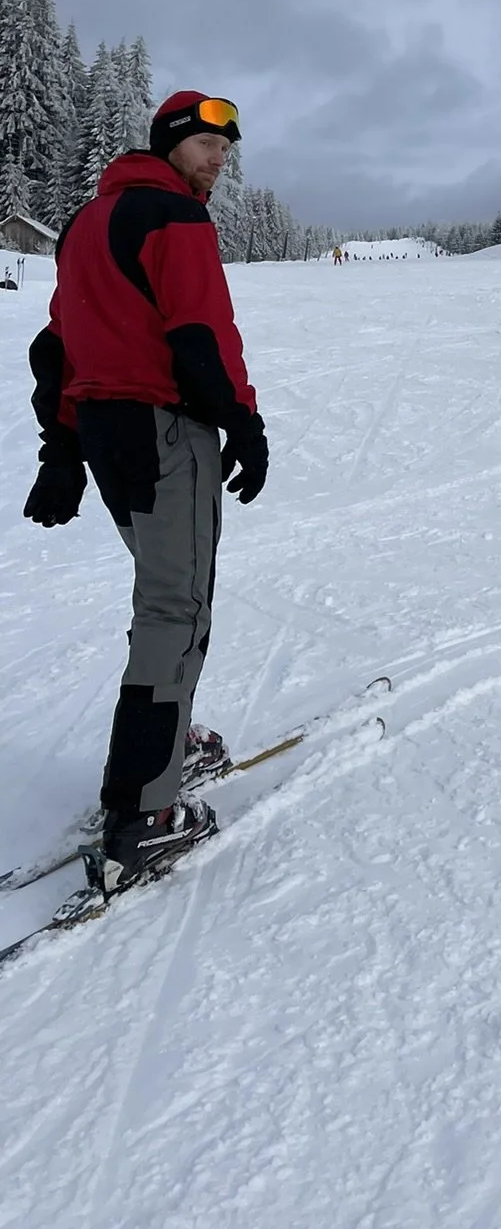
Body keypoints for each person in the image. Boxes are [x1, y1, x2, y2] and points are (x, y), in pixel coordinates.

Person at [22, 91, 268, 894]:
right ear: (168, 143)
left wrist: (63, 449)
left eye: (226, 148)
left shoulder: (88, 223)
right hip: (163, 432)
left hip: (105, 434)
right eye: (206, 143)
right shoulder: (175, 216)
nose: (219, 158)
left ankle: (168, 745)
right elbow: (202, 333)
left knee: (165, 592)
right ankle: (144, 812)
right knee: (177, 607)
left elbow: (58, 345)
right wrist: (243, 423)